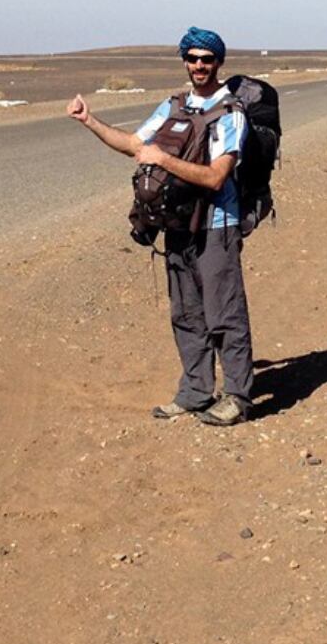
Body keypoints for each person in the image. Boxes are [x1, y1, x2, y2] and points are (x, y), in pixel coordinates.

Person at [66, 27, 254, 426]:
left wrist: (163, 160)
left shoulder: (230, 112)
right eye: (192, 58)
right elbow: (135, 144)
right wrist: (90, 121)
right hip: (179, 224)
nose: (199, 65)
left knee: (224, 313)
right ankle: (196, 392)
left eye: (207, 59)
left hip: (218, 225)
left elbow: (217, 177)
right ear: (184, 61)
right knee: (186, 313)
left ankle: (238, 396)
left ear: (218, 63)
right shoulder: (174, 106)